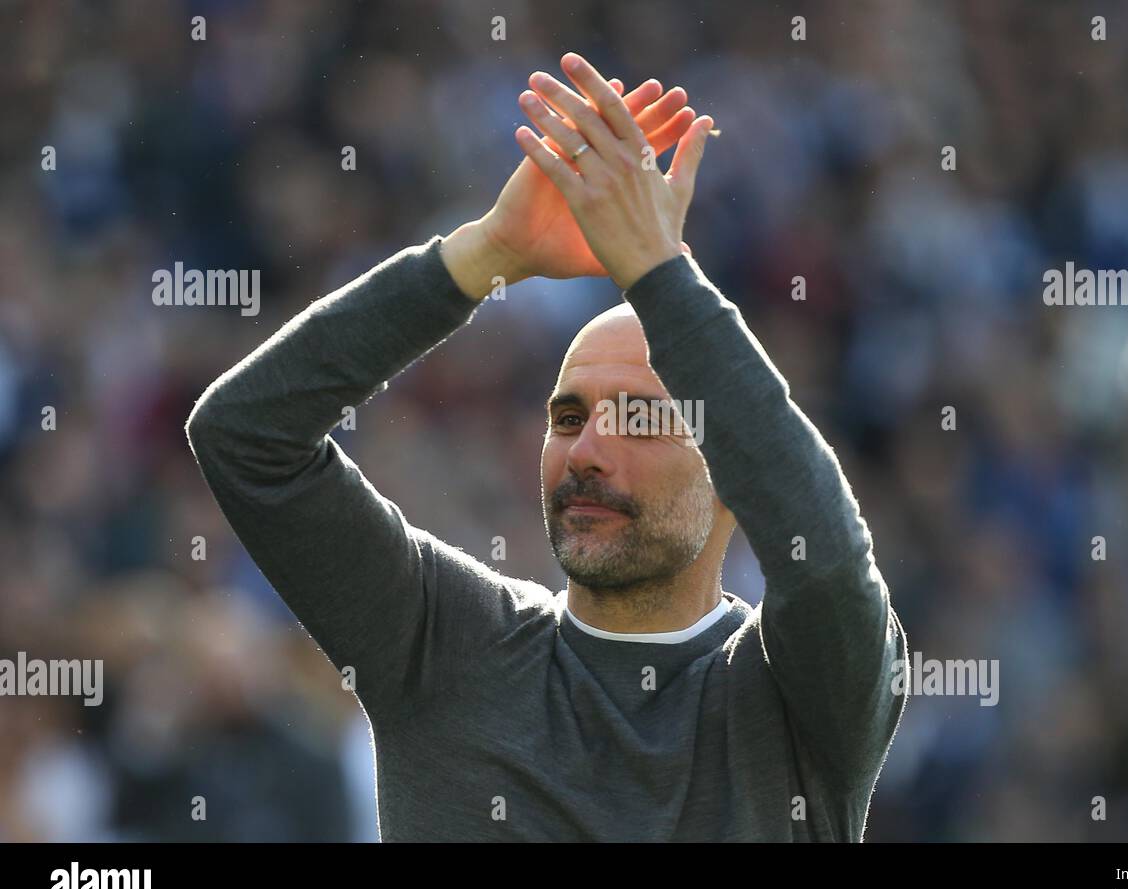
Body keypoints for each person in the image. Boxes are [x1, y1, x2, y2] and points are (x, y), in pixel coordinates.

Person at [186, 52, 907, 842]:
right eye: (567, 418)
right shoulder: (445, 641)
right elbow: (246, 436)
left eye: (640, 418)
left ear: (734, 470)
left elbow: (831, 560)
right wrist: (489, 254)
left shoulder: (801, 695)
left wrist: (661, 277)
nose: (589, 448)